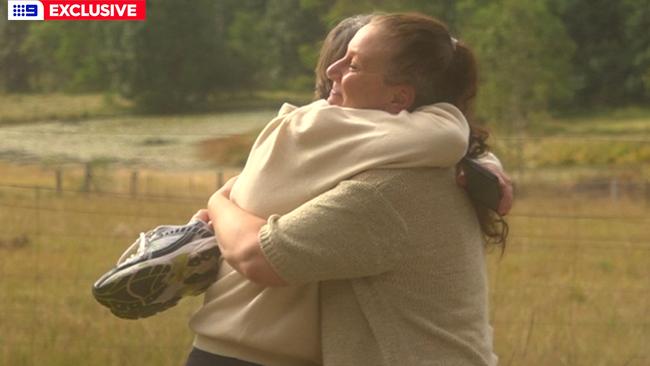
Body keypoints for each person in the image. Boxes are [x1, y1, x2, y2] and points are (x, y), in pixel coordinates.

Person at [187, 12, 508, 366]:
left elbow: (258, 256)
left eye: (353, 66)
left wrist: (219, 201)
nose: (330, 79)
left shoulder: (381, 187)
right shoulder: (440, 163)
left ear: (399, 98)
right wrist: (484, 161)